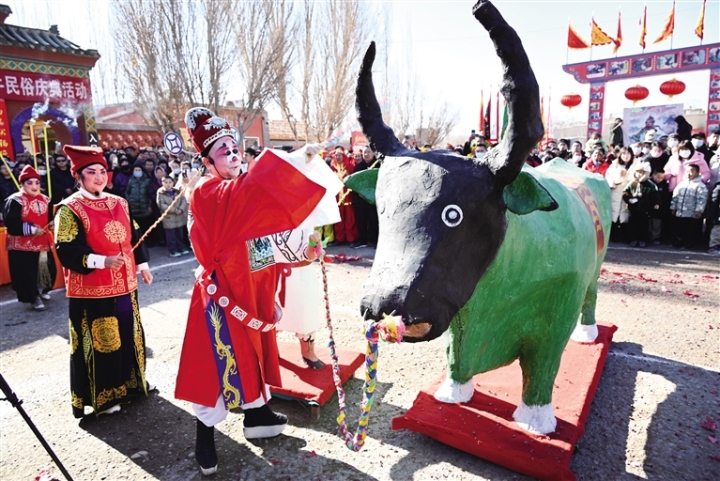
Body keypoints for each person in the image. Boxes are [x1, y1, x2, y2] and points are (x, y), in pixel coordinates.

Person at [173, 108, 326, 476]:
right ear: (207, 160)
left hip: (254, 287)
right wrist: (290, 161)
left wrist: (294, 260)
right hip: (222, 295)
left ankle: (256, 416)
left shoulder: (239, 187)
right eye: (222, 149)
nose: (233, 153)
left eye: (234, 146)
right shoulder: (208, 191)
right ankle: (205, 434)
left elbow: (266, 237)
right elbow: (246, 194)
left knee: (254, 356)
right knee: (218, 363)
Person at [54, 145, 154, 418]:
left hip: (125, 285)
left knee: (129, 335)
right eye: (91, 172)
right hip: (93, 291)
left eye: (102, 171)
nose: (99, 177)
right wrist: (101, 261)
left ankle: (133, 384)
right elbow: (66, 249)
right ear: (79, 176)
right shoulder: (69, 209)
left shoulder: (118, 202)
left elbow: (134, 235)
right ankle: (106, 397)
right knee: (104, 343)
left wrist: (142, 265)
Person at [2, 165, 56, 310]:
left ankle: (43, 290)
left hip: (42, 241)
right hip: (22, 244)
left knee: (48, 270)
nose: (34, 186)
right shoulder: (14, 200)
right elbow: (11, 223)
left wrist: (51, 224)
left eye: (37, 182)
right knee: (27, 273)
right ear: (22, 184)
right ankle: (33, 297)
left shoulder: (46, 199)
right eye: (29, 183)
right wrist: (31, 229)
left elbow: (49, 217)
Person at [670, 164, 708, 248]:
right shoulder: (681, 184)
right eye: (687, 171)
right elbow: (675, 196)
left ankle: (689, 244)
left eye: (691, 171)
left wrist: (699, 210)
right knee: (680, 228)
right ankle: (678, 242)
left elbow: (702, 199)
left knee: (691, 229)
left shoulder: (700, 186)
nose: (688, 173)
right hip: (680, 212)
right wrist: (673, 207)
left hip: (692, 213)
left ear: (697, 173)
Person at [622, 164, 660, 247]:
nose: (640, 174)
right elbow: (625, 192)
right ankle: (633, 239)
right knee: (633, 224)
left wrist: (656, 203)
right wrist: (628, 199)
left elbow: (655, 196)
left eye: (642, 173)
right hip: (633, 208)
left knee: (643, 225)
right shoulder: (632, 183)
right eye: (638, 172)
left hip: (645, 209)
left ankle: (642, 239)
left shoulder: (651, 185)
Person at [329, 146, 358, 245]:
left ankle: (351, 239)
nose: (338, 157)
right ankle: (339, 239)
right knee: (338, 221)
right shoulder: (332, 168)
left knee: (350, 220)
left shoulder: (350, 167)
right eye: (336, 155)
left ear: (344, 155)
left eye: (340, 155)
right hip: (337, 199)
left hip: (348, 197)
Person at [156, 176, 190, 257]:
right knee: (171, 235)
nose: (168, 184)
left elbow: (183, 200)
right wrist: (174, 210)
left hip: (179, 216)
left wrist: (181, 209)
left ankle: (181, 248)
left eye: (170, 182)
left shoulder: (178, 191)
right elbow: (161, 205)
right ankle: (173, 250)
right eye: (166, 182)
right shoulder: (160, 193)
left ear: (173, 183)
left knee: (179, 233)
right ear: (162, 183)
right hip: (169, 217)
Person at [353, 145, 379, 248]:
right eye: (365, 152)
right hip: (360, 199)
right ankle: (362, 240)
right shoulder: (359, 166)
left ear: (373, 153)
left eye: (369, 152)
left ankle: (375, 241)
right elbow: (354, 182)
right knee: (361, 221)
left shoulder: (378, 165)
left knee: (374, 221)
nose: (367, 154)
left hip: (373, 200)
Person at [605, 147, 633, 242]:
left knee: (625, 214)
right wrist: (615, 181)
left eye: (628, 153)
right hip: (615, 193)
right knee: (614, 214)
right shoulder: (614, 165)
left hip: (628, 194)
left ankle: (626, 237)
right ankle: (613, 236)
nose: (626, 156)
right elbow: (608, 178)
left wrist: (627, 175)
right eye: (624, 153)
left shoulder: (635, 165)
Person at [125, 161, 154, 240]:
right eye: (136, 170)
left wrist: (149, 205)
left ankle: (149, 241)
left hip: (144, 206)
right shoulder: (131, 181)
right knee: (136, 226)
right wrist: (129, 201)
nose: (137, 171)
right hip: (134, 207)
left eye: (139, 170)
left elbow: (150, 195)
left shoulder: (147, 180)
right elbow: (127, 192)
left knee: (146, 225)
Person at [650, 171, 671, 245]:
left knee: (657, 224)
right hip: (648, 207)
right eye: (658, 177)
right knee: (648, 223)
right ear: (653, 175)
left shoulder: (664, 185)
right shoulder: (649, 183)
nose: (660, 179)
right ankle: (646, 236)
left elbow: (666, 198)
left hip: (659, 209)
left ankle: (655, 237)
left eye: (662, 178)